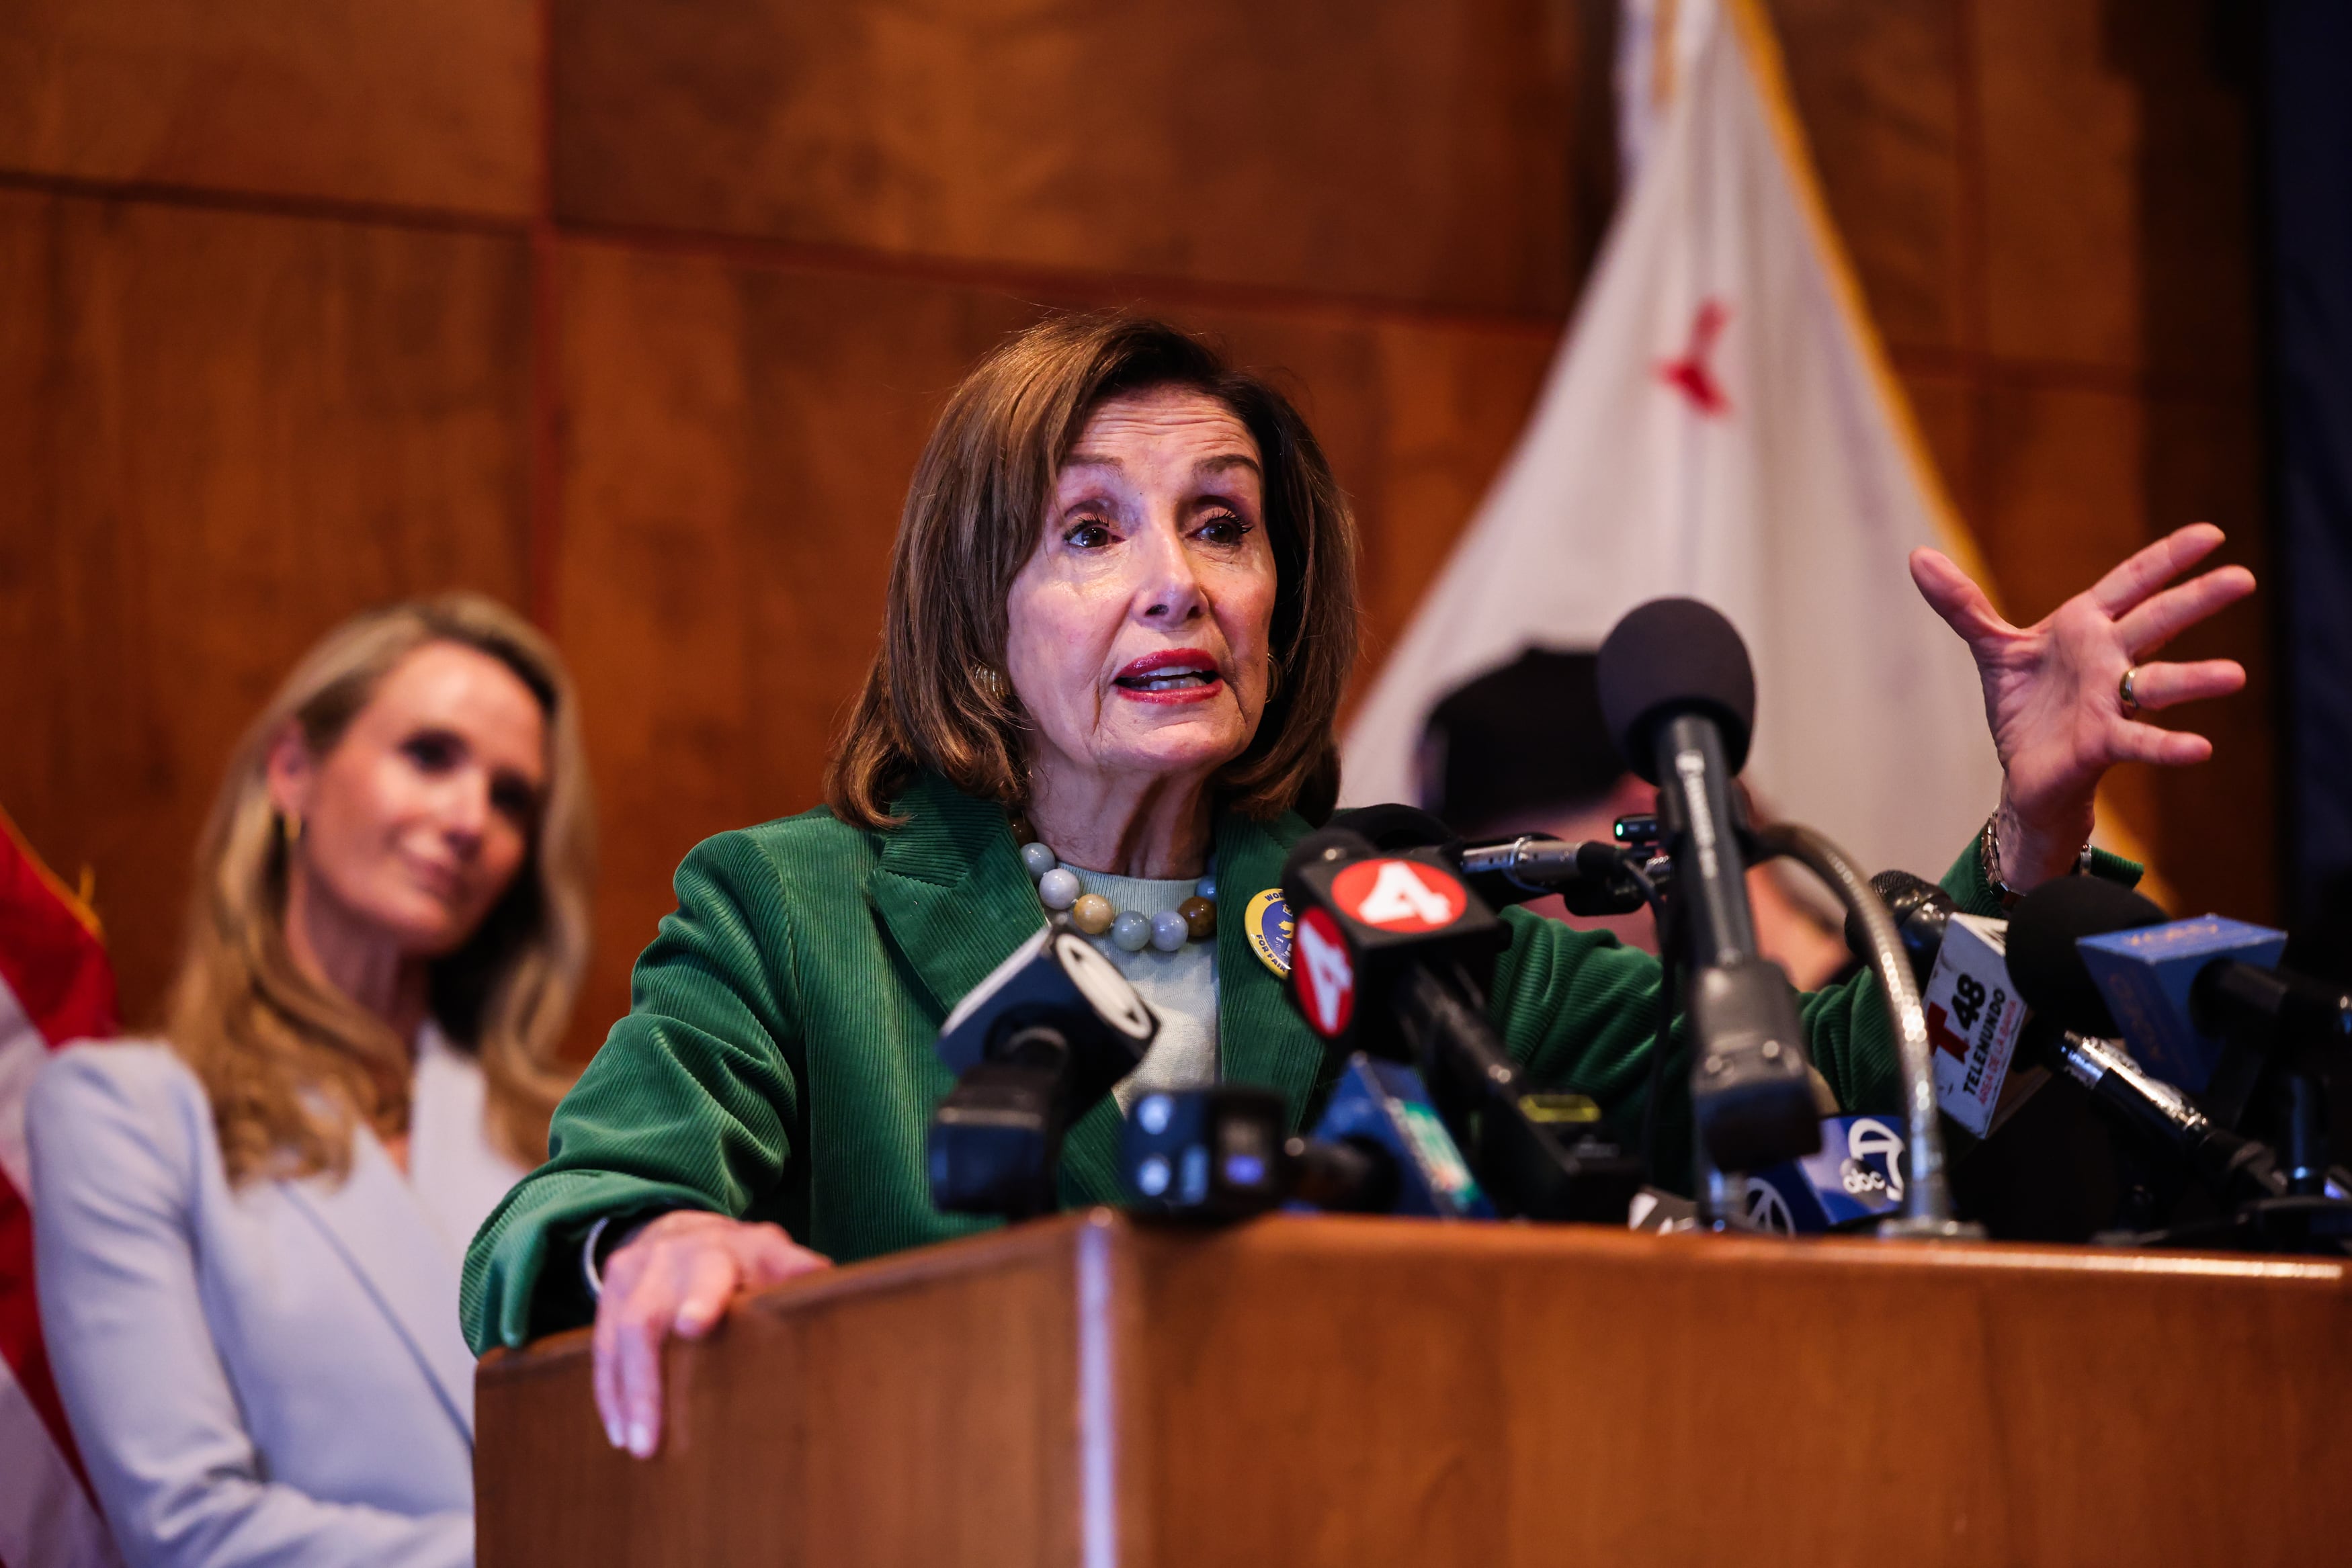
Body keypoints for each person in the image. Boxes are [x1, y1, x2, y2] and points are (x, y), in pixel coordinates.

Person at [459, 313, 2253, 1461]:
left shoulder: (1388, 907)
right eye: (1089, 530)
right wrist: (652, 1238)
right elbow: (555, 1223)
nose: (1177, 582)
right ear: (975, 612)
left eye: (1220, 523)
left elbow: (1839, 1095)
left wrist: (2027, 832)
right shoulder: (793, 912)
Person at [30, 595, 594, 1567]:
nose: (470, 820)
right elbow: (187, 1531)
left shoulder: (572, 1129)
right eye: (430, 755)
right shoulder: (129, 1113)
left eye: (511, 798)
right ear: (293, 767)